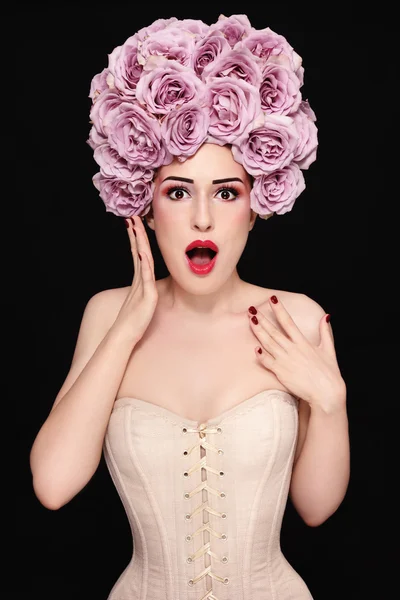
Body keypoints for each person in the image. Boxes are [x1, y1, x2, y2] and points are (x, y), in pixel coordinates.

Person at [29, 14, 350, 600]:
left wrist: (330, 404)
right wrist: (127, 329)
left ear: (257, 204)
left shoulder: (297, 318)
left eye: (226, 192)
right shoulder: (108, 315)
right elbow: (52, 485)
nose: (202, 217)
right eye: (178, 191)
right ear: (145, 205)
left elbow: (316, 509)